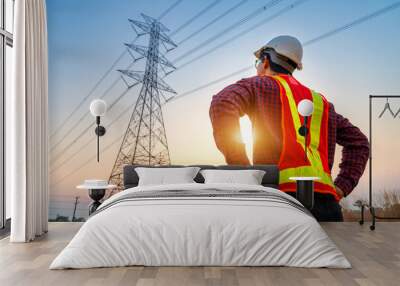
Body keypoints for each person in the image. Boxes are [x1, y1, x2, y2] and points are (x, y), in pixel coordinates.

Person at [209, 35, 369, 221]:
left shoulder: (257, 85)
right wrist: (342, 186)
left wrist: (244, 171)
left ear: (266, 60)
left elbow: (223, 103)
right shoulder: (321, 103)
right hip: (326, 204)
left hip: (278, 199)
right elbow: (360, 143)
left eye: (257, 62)